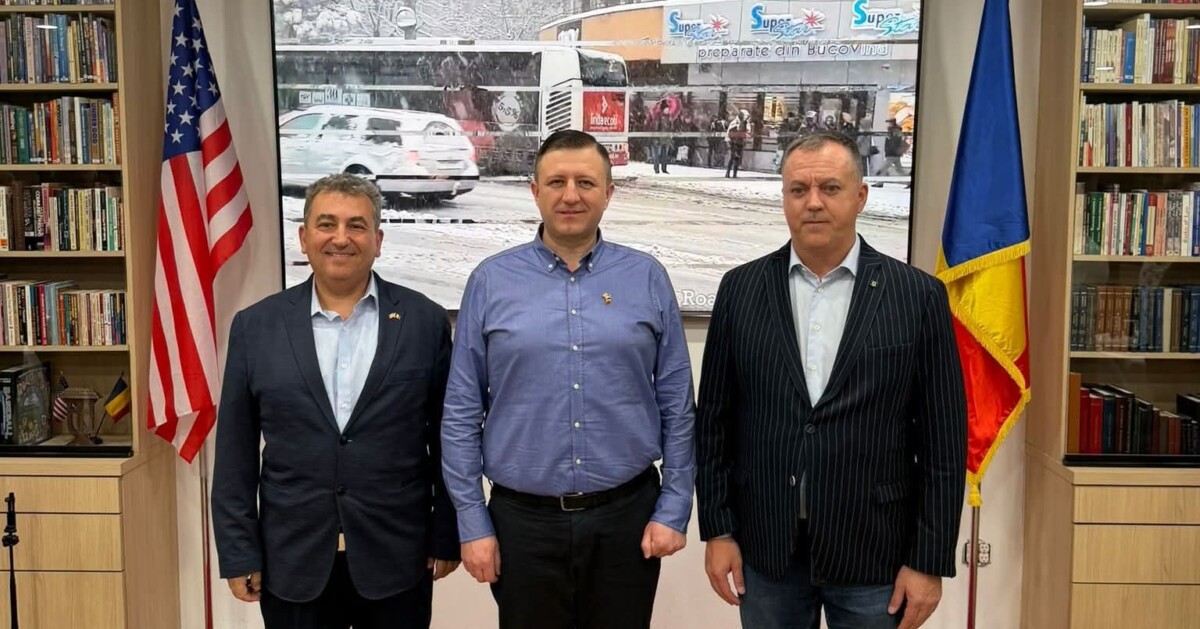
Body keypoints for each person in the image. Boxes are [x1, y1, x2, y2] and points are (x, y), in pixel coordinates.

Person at [695, 131, 967, 629]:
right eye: (799, 190)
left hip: (875, 551)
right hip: (766, 548)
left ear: (860, 196)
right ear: (784, 197)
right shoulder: (740, 290)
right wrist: (718, 529)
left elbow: (943, 443)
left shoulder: (917, 296)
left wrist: (928, 559)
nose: (814, 202)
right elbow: (714, 423)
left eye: (830, 188)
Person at [442, 129, 696, 629]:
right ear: (535, 191)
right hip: (522, 525)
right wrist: (471, 520)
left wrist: (674, 506)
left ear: (608, 192)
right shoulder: (491, 281)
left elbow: (677, 404)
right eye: (557, 182)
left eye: (586, 182)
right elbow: (461, 411)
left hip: (627, 519)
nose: (571, 195)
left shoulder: (646, 277)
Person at [212, 173, 461, 629]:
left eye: (357, 226)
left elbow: (447, 441)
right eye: (327, 224)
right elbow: (234, 452)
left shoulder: (424, 321)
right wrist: (238, 549)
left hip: (398, 559)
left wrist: (447, 533)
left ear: (378, 241)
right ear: (304, 238)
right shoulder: (256, 327)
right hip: (292, 562)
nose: (341, 238)